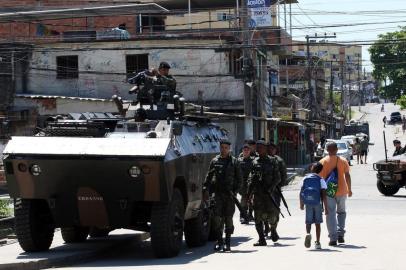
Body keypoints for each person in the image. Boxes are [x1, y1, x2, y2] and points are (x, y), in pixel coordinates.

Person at [203, 140, 242, 252]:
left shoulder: (234, 162)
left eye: (226, 147)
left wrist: (234, 192)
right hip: (217, 195)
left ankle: (228, 243)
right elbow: (209, 176)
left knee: (228, 219)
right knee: (216, 219)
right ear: (219, 148)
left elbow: (240, 180)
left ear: (229, 149)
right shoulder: (215, 161)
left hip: (229, 195)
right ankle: (219, 242)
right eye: (222, 147)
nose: (223, 149)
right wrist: (205, 189)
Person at [247, 140, 281, 246]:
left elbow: (278, 178)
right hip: (258, 195)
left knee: (273, 215)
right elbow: (250, 179)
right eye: (257, 147)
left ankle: (273, 229)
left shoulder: (273, 161)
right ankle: (261, 239)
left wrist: (271, 189)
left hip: (269, 194)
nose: (258, 149)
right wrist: (249, 194)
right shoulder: (254, 162)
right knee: (257, 217)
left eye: (261, 147)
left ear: (266, 149)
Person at [319, 142, 352, 246]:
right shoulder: (343, 160)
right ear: (337, 149)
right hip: (342, 190)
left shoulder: (322, 162)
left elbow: (320, 179)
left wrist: (320, 193)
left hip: (328, 191)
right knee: (341, 212)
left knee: (330, 214)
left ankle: (333, 239)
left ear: (327, 150)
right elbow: (347, 175)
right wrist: (349, 189)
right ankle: (340, 234)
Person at [300, 162, 328, 250]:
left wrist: (301, 204)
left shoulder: (305, 178)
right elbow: (324, 195)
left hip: (308, 203)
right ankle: (318, 242)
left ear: (312, 168)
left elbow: (301, 192)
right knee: (317, 223)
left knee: (308, 222)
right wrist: (326, 208)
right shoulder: (321, 179)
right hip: (317, 203)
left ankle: (308, 233)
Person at [266, 142, 288, 241]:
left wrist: (278, 186)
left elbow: (284, 177)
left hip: (275, 191)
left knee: (275, 210)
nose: (270, 150)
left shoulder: (279, 161)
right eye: (269, 149)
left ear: (275, 150)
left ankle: (273, 228)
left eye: (272, 149)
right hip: (263, 192)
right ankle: (266, 228)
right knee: (262, 210)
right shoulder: (261, 160)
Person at [238, 144, 255, 224]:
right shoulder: (239, 161)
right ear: (242, 151)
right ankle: (242, 216)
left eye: (247, 150)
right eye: (244, 150)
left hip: (251, 184)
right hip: (242, 184)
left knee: (251, 200)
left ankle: (250, 214)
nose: (246, 152)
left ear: (249, 151)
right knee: (243, 201)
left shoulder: (253, 161)